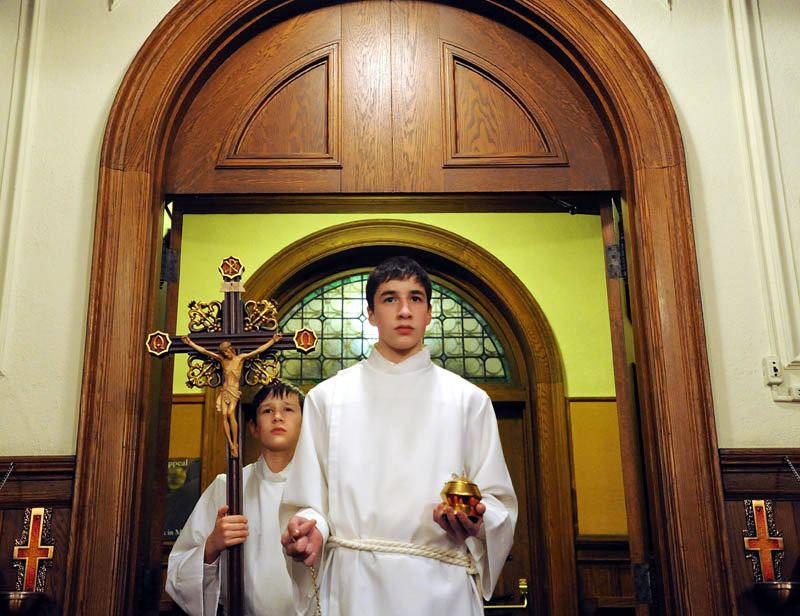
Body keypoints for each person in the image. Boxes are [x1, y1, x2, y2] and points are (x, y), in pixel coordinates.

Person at [280, 256, 518, 616]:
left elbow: (499, 505)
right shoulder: (328, 398)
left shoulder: (469, 401)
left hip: (441, 588)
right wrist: (313, 529)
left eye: (415, 299)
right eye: (390, 299)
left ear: (429, 312)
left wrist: (477, 520)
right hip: (354, 588)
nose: (404, 311)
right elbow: (310, 501)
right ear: (371, 314)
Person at [167, 380, 303, 616]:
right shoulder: (227, 487)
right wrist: (212, 545)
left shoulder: (322, 487)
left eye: (288, 409)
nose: (278, 417)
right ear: (253, 427)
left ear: (305, 424)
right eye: (267, 410)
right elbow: (179, 573)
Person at [182, 334, 281, 458]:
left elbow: (259, 350)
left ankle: (235, 443)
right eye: (223, 352)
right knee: (224, 416)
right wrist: (190, 343)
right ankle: (231, 443)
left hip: (234, 391)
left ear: (231, 349)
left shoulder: (240, 359)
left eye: (226, 351)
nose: (225, 354)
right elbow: (205, 351)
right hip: (224, 390)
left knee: (230, 414)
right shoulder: (223, 361)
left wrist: (273, 340)